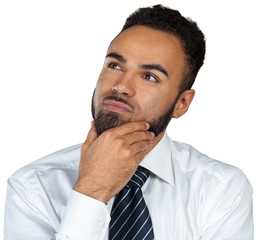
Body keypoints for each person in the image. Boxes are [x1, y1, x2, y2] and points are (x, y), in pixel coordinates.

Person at [4, 4, 253, 240]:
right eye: (115, 65)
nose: (121, 86)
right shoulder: (33, 187)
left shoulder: (220, 189)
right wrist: (91, 192)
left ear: (182, 103)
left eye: (149, 76)